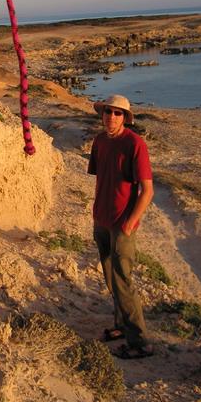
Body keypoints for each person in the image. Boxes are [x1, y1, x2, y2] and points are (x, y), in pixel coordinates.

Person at [87, 94, 154, 359]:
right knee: (110, 277)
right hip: (101, 219)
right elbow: (102, 178)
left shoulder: (134, 144)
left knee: (123, 280)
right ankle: (120, 326)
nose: (111, 117)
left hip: (122, 224)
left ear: (125, 117)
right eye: (107, 112)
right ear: (102, 114)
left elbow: (147, 191)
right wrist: (96, 216)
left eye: (117, 113)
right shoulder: (100, 141)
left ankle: (141, 342)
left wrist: (129, 223)